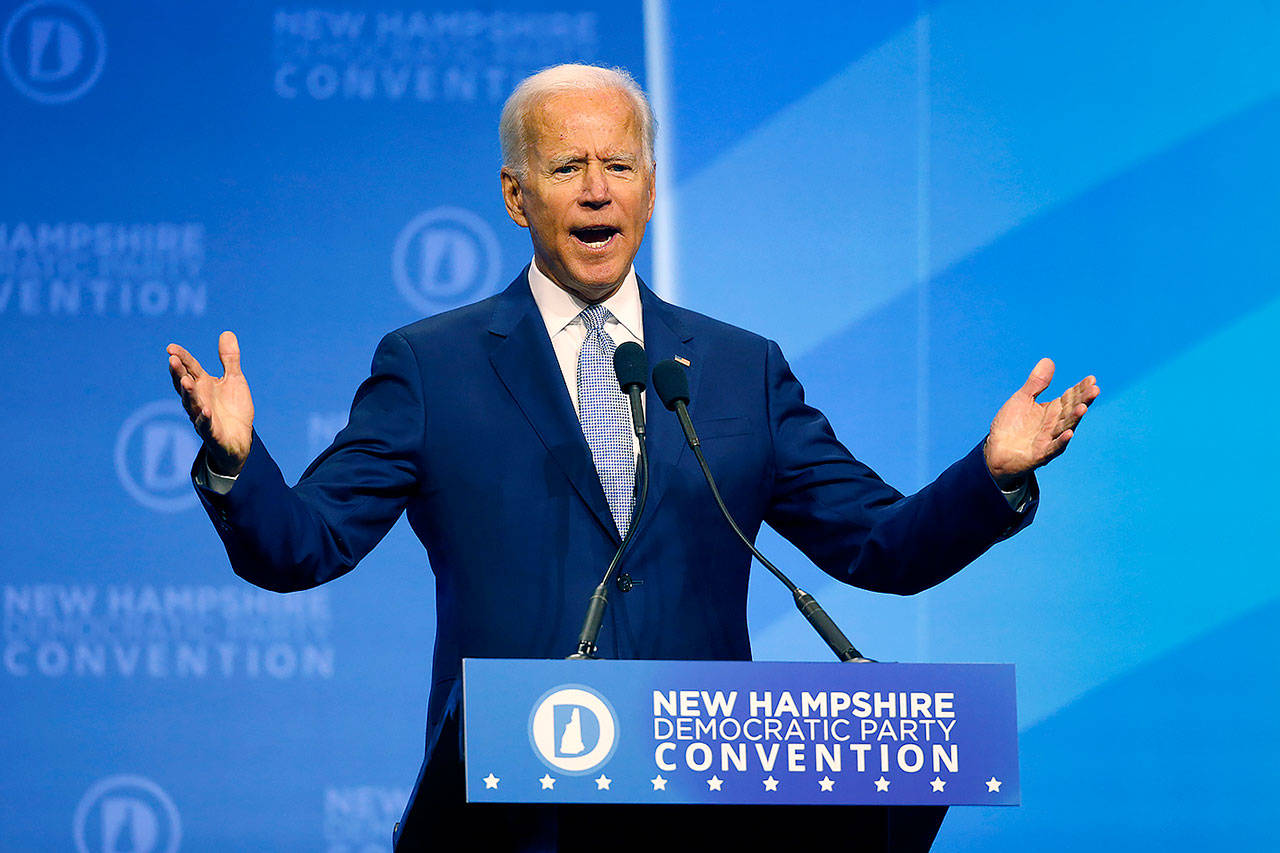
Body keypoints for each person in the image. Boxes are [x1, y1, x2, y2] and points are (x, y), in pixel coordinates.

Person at [166, 64, 1098, 852]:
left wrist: (994, 474)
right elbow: (302, 545)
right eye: (567, 165)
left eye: (619, 163)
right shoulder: (432, 365)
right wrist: (238, 463)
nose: (597, 188)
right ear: (516, 193)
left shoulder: (738, 368)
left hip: (710, 820)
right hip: (515, 821)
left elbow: (879, 545)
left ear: (650, 186)